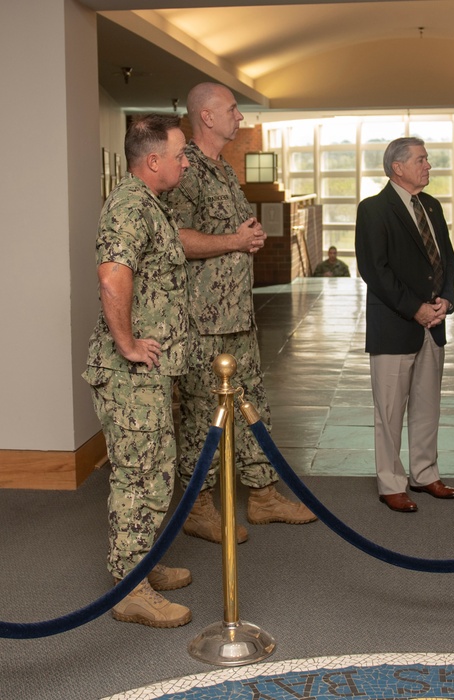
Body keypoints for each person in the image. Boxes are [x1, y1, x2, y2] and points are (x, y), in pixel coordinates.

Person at [162, 82, 315, 543]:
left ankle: (264, 497)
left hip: (236, 317)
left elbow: (225, 233)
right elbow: (176, 239)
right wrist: (234, 241)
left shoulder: (223, 170)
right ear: (206, 117)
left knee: (253, 408)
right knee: (199, 417)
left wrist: (246, 236)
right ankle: (198, 507)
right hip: (203, 323)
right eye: (232, 110)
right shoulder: (185, 170)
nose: (240, 118)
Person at [82, 114, 194, 628]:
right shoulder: (129, 206)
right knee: (140, 475)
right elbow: (113, 275)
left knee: (156, 469)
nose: (185, 162)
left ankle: (141, 565)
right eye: (179, 155)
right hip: (131, 378)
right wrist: (126, 343)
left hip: (150, 375)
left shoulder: (152, 206)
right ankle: (130, 588)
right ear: (153, 160)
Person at [355, 137, 454, 513]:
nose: (428, 165)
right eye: (421, 159)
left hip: (434, 324)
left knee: (427, 406)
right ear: (397, 167)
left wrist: (445, 299)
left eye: (427, 159)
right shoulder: (374, 210)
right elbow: (375, 271)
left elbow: (446, 258)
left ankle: (425, 473)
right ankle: (390, 483)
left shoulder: (431, 206)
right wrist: (416, 309)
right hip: (395, 325)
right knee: (390, 411)